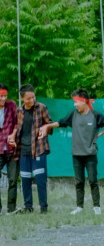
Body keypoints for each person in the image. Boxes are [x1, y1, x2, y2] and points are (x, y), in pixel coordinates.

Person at [40, 89, 104, 215]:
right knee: (79, 181)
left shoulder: (95, 115)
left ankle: (97, 207)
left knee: (92, 180)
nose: (74, 104)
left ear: (84, 101)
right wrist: (47, 126)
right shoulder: (73, 114)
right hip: (76, 154)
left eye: (76, 102)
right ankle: (79, 207)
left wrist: (99, 134)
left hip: (90, 154)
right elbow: (62, 122)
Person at [14, 84, 53, 213]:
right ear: (22, 99)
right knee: (25, 179)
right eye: (28, 98)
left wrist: (46, 129)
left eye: (33, 97)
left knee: (40, 179)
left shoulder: (41, 107)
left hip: (38, 148)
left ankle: (43, 207)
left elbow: (50, 124)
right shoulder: (19, 111)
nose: (31, 100)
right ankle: (28, 207)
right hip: (23, 150)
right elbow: (17, 128)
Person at [0, 84, 20, 214]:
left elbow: (18, 122)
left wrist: (13, 134)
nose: (3, 98)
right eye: (1, 96)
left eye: (5, 96)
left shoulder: (11, 105)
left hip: (12, 148)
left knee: (13, 179)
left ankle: (11, 208)